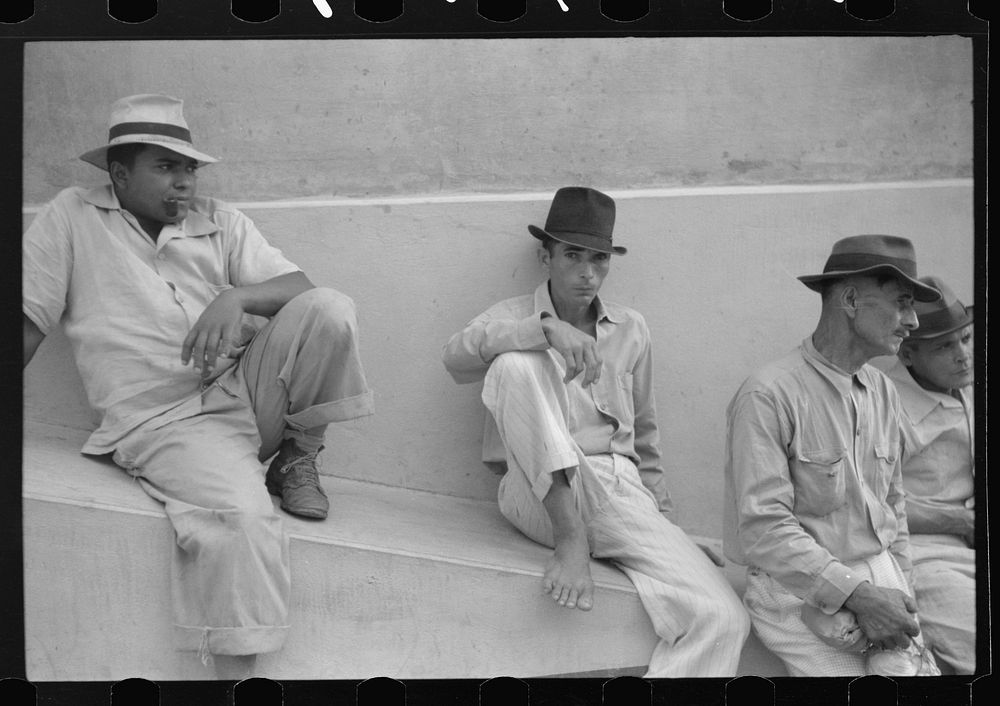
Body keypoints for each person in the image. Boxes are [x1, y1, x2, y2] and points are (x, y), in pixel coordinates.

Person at [22, 94, 373, 678]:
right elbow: (28, 321)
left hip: (244, 393)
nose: (184, 182)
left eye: (190, 168)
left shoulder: (222, 222)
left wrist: (234, 296)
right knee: (241, 520)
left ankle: (297, 456)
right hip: (166, 423)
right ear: (119, 172)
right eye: (165, 167)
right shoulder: (73, 216)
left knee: (329, 309)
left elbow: (302, 287)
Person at [442, 186, 750, 678]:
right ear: (546, 256)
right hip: (535, 493)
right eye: (572, 256)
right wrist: (544, 330)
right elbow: (455, 357)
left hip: (615, 490)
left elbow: (645, 435)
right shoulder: (510, 317)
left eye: (599, 260)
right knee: (515, 367)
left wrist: (668, 525)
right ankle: (572, 541)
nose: (587, 273)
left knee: (723, 617)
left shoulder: (632, 328)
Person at [723, 234, 943, 676]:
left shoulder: (882, 390)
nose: (913, 321)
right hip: (796, 588)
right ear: (849, 300)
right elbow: (765, 532)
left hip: (879, 575)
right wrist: (859, 596)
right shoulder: (769, 394)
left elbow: (893, 507)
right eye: (902, 302)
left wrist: (898, 590)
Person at [872, 275, 975, 674]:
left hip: (969, 546)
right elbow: (870, 503)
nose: (963, 355)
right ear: (909, 355)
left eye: (966, 339)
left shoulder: (964, 386)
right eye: (945, 346)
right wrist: (958, 519)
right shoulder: (885, 404)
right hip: (921, 555)